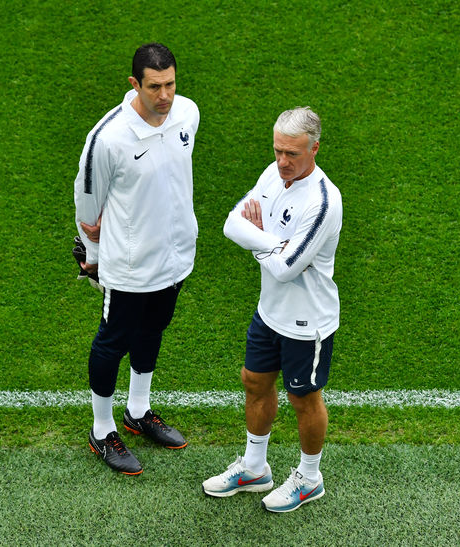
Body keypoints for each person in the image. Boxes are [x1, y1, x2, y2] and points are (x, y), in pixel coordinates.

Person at [202, 107, 342, 512]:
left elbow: (285, 269)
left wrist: (256, 236)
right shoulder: (273, 173)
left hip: (307, 321)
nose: (282, 161)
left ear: (314, 149)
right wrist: (268, 242)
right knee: (254, 381)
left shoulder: (323, 201)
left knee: (305, 399)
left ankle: (309, 477)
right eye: (278, 150)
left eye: (293, 154)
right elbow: (231, 224)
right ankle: (254, 466)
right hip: (270, 311)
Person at [73, 43, 199, 475]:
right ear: (134, 84)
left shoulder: (188, 114)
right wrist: (93, 258)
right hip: (128, 266)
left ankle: (138, 412)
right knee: (113, 341)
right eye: (154, 87)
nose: (165, 96)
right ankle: (102, 428)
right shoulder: (107, 139)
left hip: (176, 255)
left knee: (154, 329)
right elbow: (88, 205)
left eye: (170, 84)